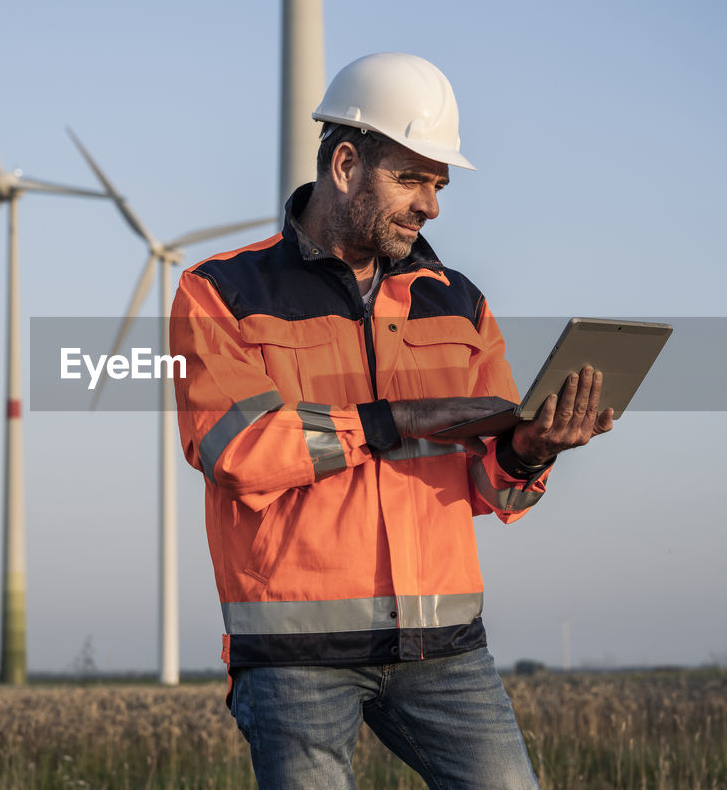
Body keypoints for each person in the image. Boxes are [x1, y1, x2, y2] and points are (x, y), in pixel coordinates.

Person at [168, 52, 613, 789]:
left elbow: (489, 489)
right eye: (410, 179)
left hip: (444, 650)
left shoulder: (458, 302)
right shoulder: (219, 293)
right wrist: (390, 418)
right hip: (295, 657)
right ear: (344, 163)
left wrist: (531, 451)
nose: (432, 205)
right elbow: (234, 445)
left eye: (438, 185)